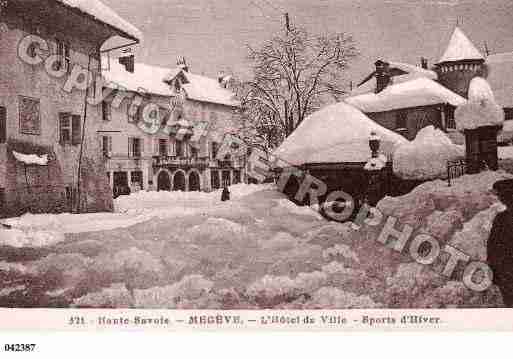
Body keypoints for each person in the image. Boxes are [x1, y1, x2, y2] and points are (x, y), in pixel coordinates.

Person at [488, 179, 513, 307]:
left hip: (507, 274)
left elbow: (493, 248)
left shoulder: (502, 219)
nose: (498, 198)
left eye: (499, 195)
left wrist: (493, 269)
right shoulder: (502, 218)